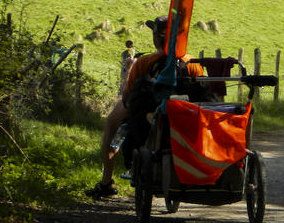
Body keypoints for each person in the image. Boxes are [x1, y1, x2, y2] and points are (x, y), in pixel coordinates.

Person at [86, 15, 204, 199]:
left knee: (111, 122)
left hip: (150, 109)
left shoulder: (143, 63)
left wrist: (129, 70)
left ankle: (107, 181)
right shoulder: (192, 62)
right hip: (184, 109)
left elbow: (128, 97)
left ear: (156, 37)